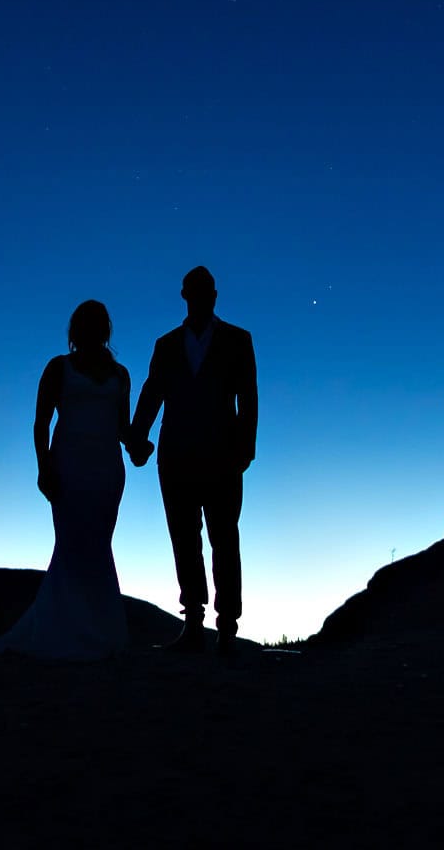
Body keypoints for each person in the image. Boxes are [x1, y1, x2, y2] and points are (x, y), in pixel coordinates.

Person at [0, 300, 154, 661]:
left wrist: (139, 445)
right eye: (86, 323)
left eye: (99, 323)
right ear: (76, 330)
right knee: (72, 546)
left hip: (107, 472)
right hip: (69, 467)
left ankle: (99, 631)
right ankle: (67, 630)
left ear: (106, 329)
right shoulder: (58, 368)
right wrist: (43, 466)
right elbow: (41, 423)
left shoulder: (121, 375)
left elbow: (122, 427)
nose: (93, 329)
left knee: (97, 547)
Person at [131, 266, 258, 654]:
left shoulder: (238, 340)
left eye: (206, 292)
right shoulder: (166, 345)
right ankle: (193, 623)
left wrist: (245, 449)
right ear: (185, 296)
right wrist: (138, 436)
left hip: (223, 458)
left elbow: (248, 399)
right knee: (184, 540)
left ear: (215, 296)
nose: (201, 298)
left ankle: (227, 627)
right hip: (176, 459)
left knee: (224, 539)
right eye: (194, 292)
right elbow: (153, 392)